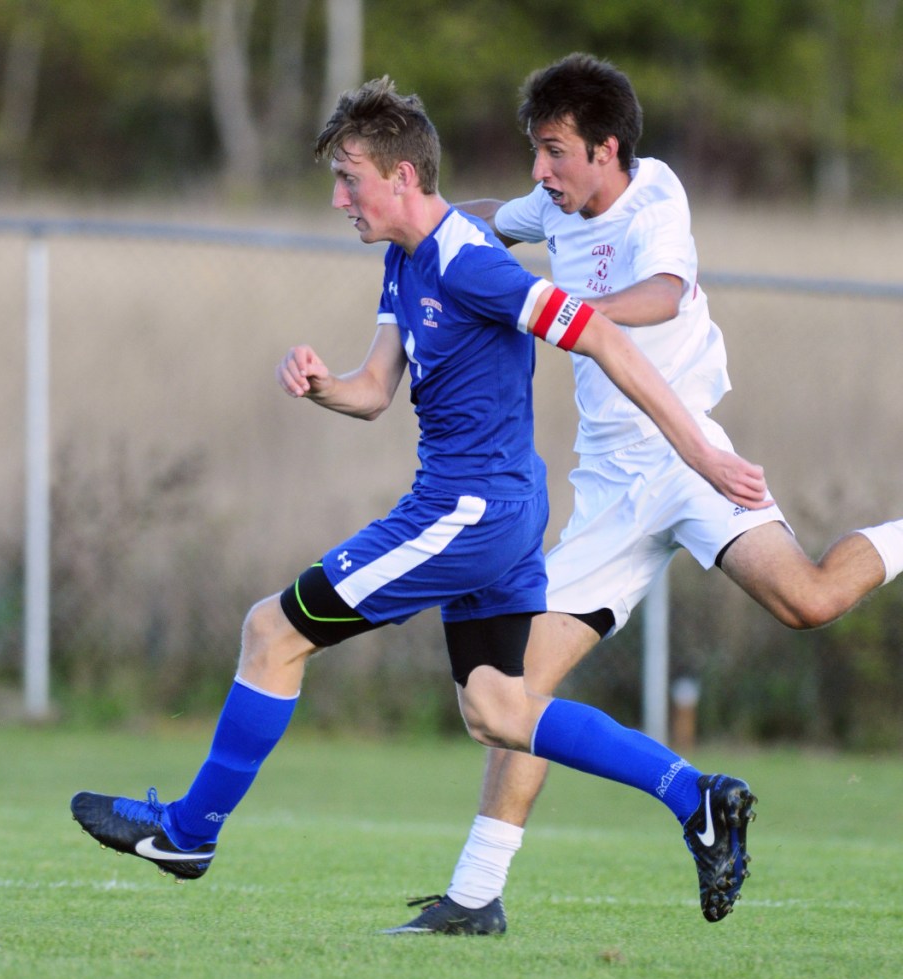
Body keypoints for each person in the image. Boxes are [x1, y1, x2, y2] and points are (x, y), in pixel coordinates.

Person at [69, 76, 770, 927]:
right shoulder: (406, 261)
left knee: (270, 630)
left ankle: (188, 831)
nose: (339, 198)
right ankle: (693, 793)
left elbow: (603, 333)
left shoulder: (472, 259)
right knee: (498, 708)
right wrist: (322, 382)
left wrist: (700, 453)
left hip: (468, 513)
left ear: (403, 176)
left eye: (350, 177)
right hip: (496, 515)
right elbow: (373, 391)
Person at [384, 52, 903, 936]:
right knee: (510, 699)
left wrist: (556, 310)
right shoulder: (552, 201)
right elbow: (474, 224)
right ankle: (475, 897)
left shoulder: (656, 201)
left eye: (554, 152)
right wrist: (406, 218)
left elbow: (665, 295)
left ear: (607, 149)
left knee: (809, 599)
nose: (540, 172)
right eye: (535, 153)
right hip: (611, 491)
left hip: (691, 461)